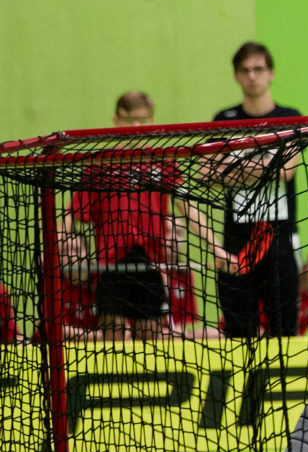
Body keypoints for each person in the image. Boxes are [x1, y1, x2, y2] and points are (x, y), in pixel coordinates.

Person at [62, 91, 230, 341]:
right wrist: (53, 249)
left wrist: (216, 247)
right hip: (111, 267)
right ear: (116, 120)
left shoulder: (163, 162)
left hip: (150, 266)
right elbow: (71, 214)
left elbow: (189, 208)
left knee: (152, 339)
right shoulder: (99, 165)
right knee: (114, 342)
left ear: (152, 120)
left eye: (142, 119)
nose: (136, 127)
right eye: (129, 120)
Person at [212, 42, 304, 337]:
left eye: (258, 69)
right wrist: (266, 167)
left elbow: (286, 171)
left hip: (281, 240)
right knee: (238, 332)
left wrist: (235, 167)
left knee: (284, 329)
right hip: (235, 244)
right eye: (245, 70)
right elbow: (207, 172)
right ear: (237, 76)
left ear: (271, 74)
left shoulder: (290, 117)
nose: (252, 76)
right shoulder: (223, 120)